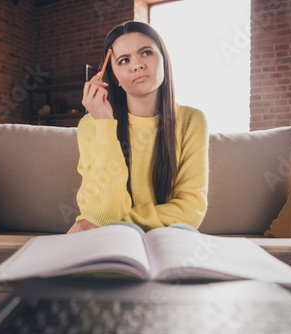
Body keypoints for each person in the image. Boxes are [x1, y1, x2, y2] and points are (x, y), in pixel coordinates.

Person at [67, 21, 208, 234]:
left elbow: (190, 211)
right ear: (113, 77)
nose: (137, 65)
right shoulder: (92, 125)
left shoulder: (192, 120)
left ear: (163, 59)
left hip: (168, 236)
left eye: (146, 53)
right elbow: (104, 211)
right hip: (112, 236)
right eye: (124, 60)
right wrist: (105, 124)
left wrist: (118, 220)